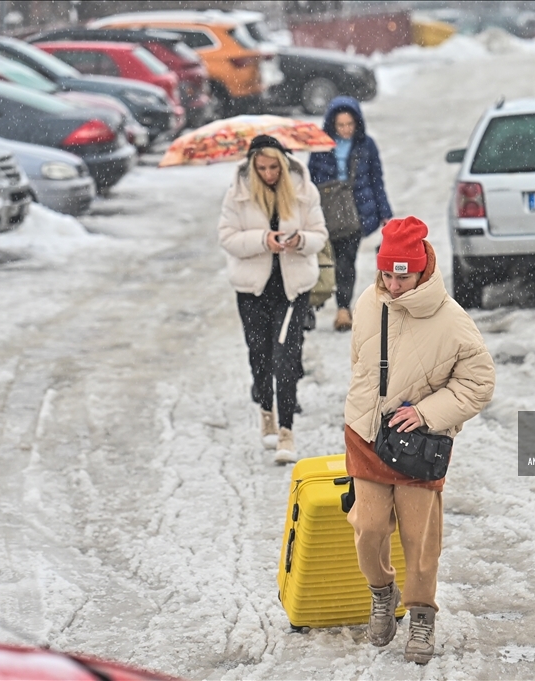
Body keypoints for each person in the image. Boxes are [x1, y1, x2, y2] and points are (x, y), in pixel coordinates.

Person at [344, 216, 495, 664]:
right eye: (387, 273)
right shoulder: (368, 302)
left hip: (418, 444)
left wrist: (427, 413)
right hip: (365, 434)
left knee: (419, 537)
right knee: (367, 529)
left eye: (402, 274)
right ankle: (382, 591)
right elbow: (360, 364)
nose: (393, 284)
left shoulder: (452, 319)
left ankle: (422, 613)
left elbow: (479, 382)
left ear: (423, 268)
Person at [217, 135, 329, 464]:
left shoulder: (304, 190)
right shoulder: (237, 194)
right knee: (260, 356)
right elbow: (227, 237)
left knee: (286, 357)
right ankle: (267, 411)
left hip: (292, 288)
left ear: (283, 163)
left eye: (273, 167)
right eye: (261, 168)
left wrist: (300, 240)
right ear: (252, 166)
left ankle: (286, 432)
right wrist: (263, 240)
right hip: (252, 288)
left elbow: (320, 234)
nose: (268, 174)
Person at [308, 96, 393, 333]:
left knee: (346, 261)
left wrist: (384, 212)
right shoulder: (320, 147)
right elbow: (310, 181)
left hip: (357, 212)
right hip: (326, 212)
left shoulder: (367, 146)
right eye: (340, 125)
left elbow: (377, 180)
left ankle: (343, 308)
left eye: (349, 124)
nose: (345, 130)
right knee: (323, 261)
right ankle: (314, 304)